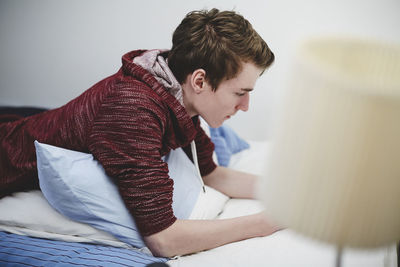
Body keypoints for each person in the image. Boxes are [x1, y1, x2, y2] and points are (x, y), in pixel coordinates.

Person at [0, 8, 279, 257]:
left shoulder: (177, 91)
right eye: (240, 93)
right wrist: (270, 221)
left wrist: (289, 194)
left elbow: (211, 173)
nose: (245, 106)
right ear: (200, 80)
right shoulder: (133, 113)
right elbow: (164, 239)